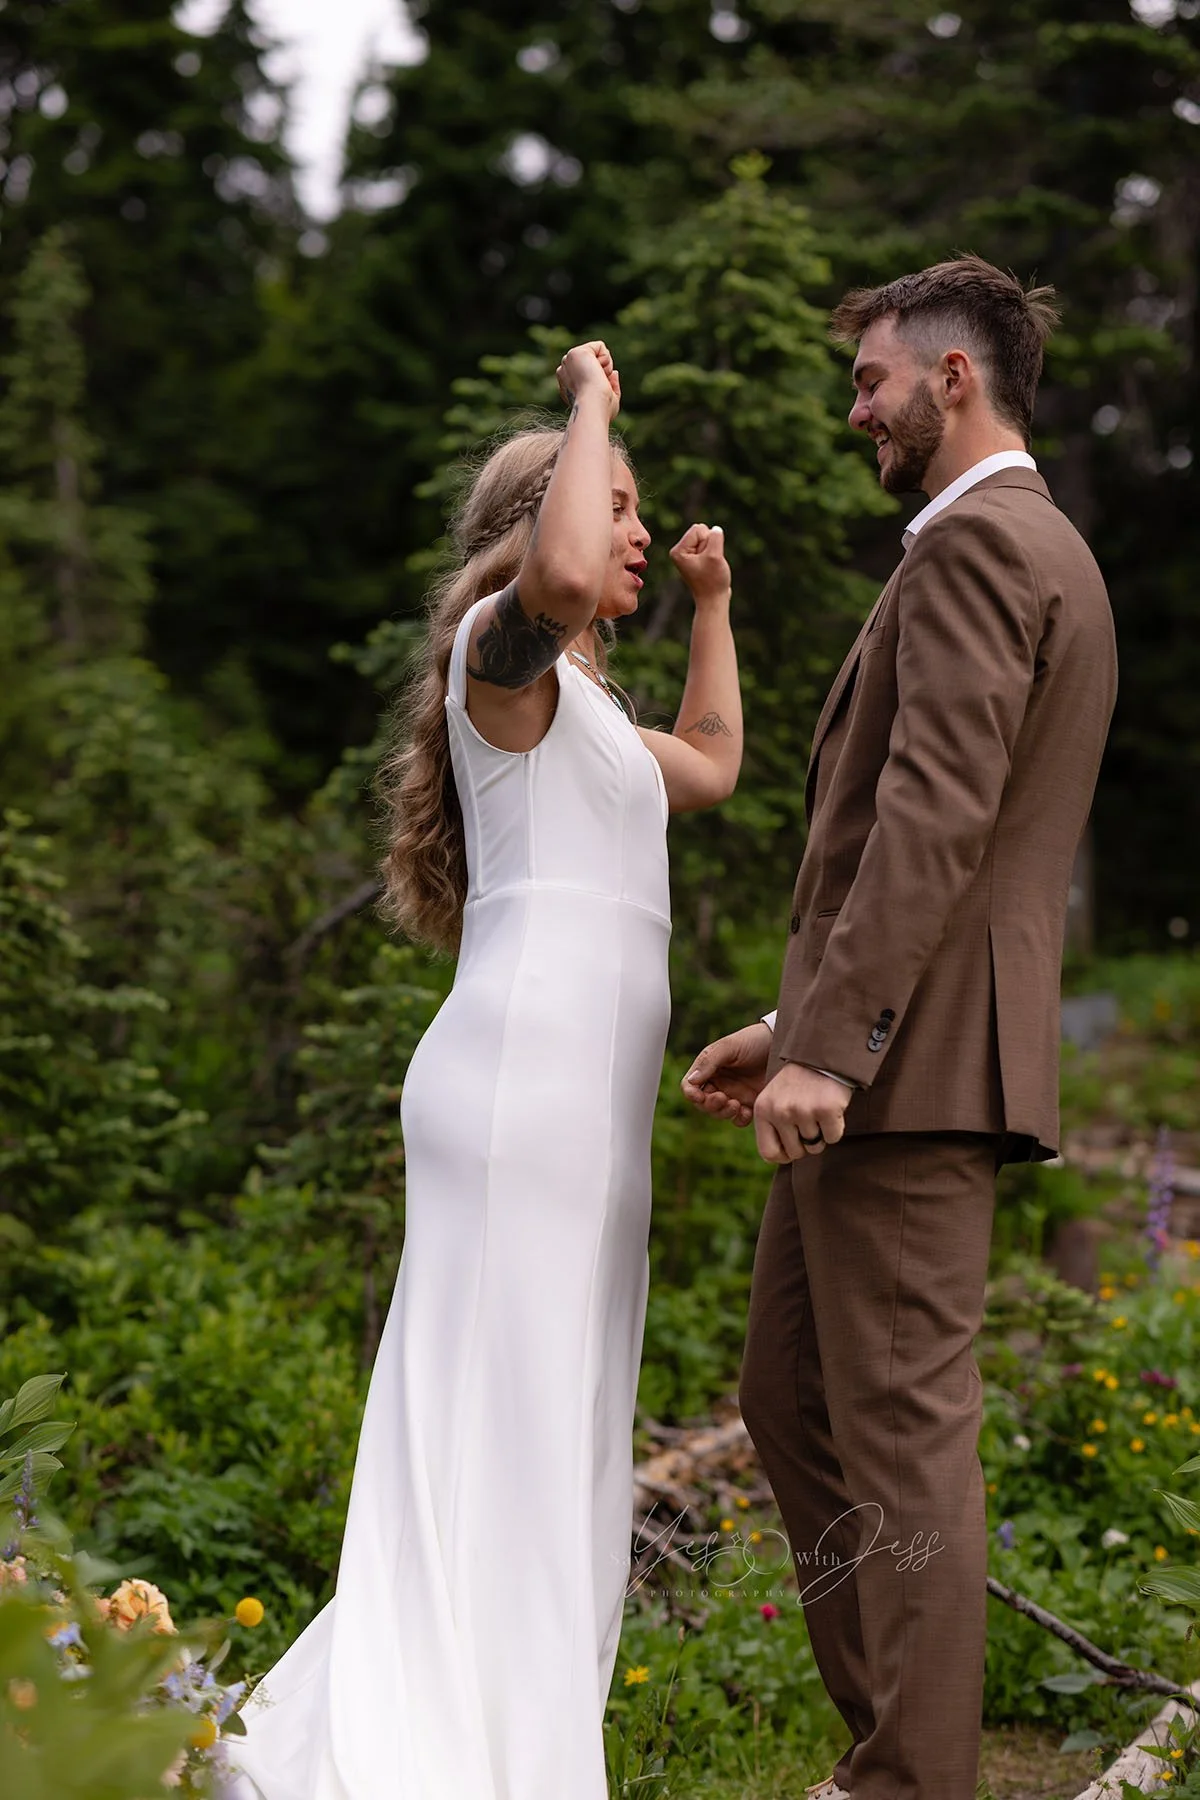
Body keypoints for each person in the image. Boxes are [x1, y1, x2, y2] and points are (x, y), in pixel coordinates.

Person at [225, 340, 741, 1800]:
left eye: (639, 505)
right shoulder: (497, 669)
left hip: (587, 1126)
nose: (634, 529)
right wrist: (590, 404)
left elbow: (710, 758)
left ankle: (509, 1744)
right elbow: (567, 583)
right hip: (515, 1102)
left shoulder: (598, 728)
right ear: (537, 520)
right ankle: (431, 1752)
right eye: (617, 503)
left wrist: (708, 605)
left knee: (560, 1421)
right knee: (498, 1418)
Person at [682, 257, 1117, 1800]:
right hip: (884, 1054)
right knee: (792, 1402)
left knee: (904, 1434)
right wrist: (785, 1022)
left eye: (870, 379)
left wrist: (831, 1047)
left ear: (951, 378)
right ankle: (894, 1745)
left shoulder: (984, 547)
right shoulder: (1014, 544)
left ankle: (917, 1783)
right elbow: (932, 839)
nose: (851, 408)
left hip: (911, 1079)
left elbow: (934, 820)